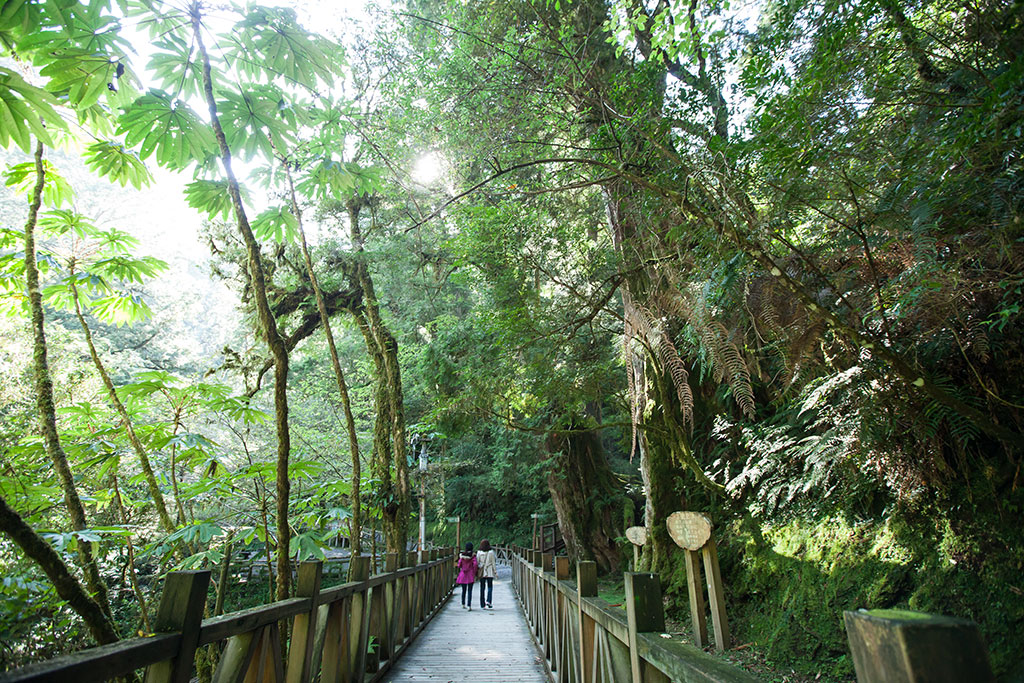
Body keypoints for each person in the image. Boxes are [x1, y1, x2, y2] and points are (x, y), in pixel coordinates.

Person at [456, 542, 478, 610]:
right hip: (470, 574)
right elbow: (475, 564)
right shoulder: (473, 556)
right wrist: (474, 572)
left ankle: (463, 603)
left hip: (463, 574)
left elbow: (459, 565)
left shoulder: (462, 556)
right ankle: (469, 605)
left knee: (464, 590)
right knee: (470, 590)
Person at [476, 539, 497, 609]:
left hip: (482, 571)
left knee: (482, 587)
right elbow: (493, 563)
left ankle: (482, 604)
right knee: (490, 587)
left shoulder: (479, 553)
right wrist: (495, 572)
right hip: (489, 570)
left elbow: (477, 563)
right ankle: (489, 601)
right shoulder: (491, 552)